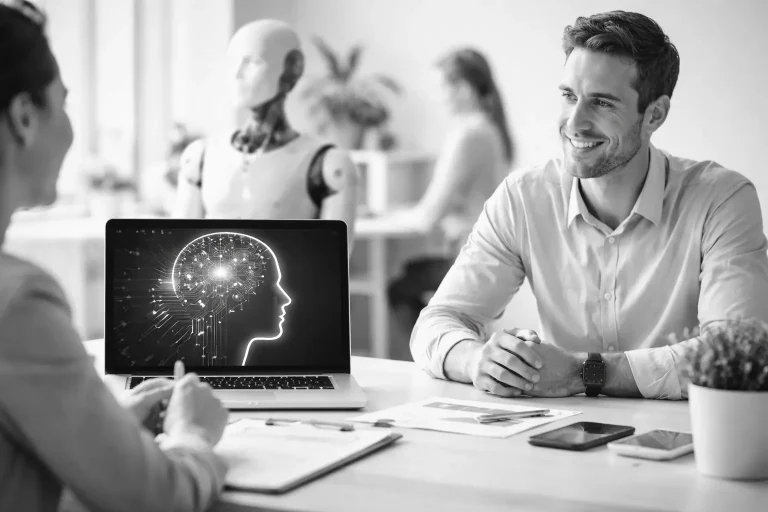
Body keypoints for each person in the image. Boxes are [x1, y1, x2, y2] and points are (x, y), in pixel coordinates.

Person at [410, 10, 768, 400]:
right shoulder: (522, 198)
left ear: (655, 114)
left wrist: (585, 372)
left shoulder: (721, 199)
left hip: (683, 431)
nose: (574, 122)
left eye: (601, 103)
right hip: (558, 428)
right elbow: (439, 321)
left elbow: (737, 352)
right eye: (569, 96)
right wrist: (478, 360)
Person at [0, 3, 230, 511]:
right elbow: (157, 499)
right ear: (24, 116)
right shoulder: (18, 303)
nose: (70, 129)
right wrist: (193, 434)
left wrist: (107, 429)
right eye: (64, 103)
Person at [172, 19, 359, 253]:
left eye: (253, 62)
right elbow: (177, 249)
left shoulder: (328, 166)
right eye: (233, 62)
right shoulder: (199, 158)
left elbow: (333, 264)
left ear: (292, 69)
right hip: (209, 276)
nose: (238, 74)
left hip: (286, 277)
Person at [386, 47, 514, 360]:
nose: (440, 96)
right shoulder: (489, 128)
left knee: (399, 288)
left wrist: (385, 216)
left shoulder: (470, 134)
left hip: (470, 258)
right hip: (486, 257)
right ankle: (448, 354)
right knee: (409, 275)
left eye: (443, 86)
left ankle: (430, 358)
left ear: (464, 88)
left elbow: (429, 215)